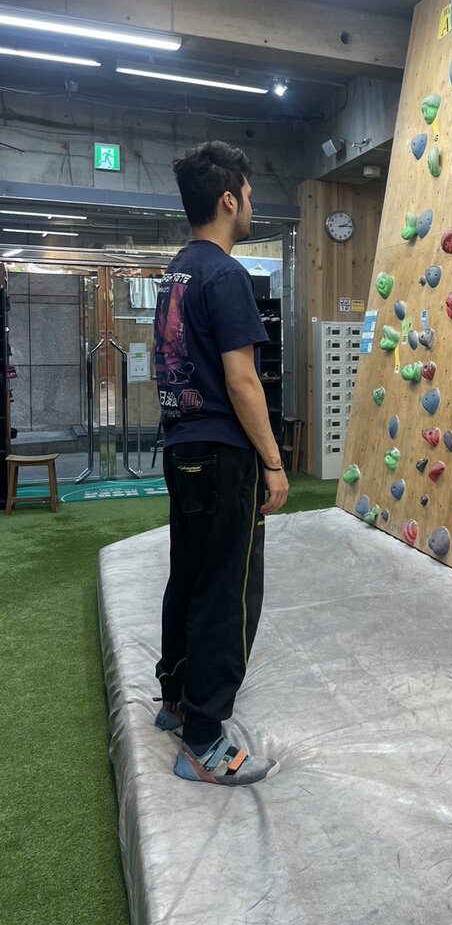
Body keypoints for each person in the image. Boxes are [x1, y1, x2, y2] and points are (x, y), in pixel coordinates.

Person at [152, 140, 289, 786]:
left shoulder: (176, 272)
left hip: (182, 447)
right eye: (250, 195)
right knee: (229, 592)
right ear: (229, 199)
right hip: (223, 453)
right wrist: (274, 462)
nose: (253, 206)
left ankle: (177, 699)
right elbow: (242, 381)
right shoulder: (226, 274)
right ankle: (204, 740)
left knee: (190, 574)